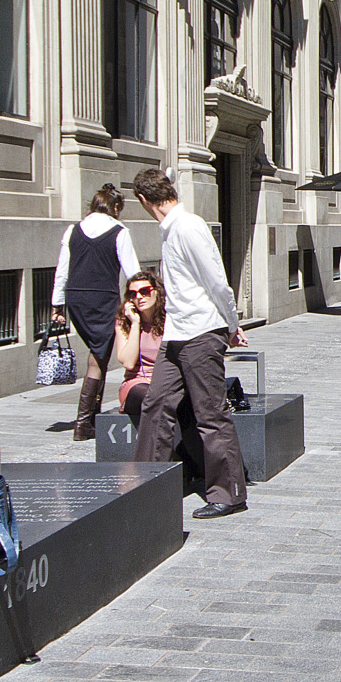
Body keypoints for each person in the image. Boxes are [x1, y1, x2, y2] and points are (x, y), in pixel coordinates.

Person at [128, 167, 249, 517]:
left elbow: (216, 280)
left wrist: (231, 323)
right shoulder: (170, 231)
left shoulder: (188, 226)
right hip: (176, 334)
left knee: (210, 413)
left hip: (200, 333)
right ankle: (147, 483)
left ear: (143, 200)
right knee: (156, 402)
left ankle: (229, 494)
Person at [51, 184, 140, 439]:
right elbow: (132, 271)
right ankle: (82, 424)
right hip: (103, 299)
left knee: (97, 353)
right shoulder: (119, 231)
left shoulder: (73, 230)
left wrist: (57, 305)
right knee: (98, 358)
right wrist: (138, 299)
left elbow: (62, 270)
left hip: (76, 298)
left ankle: (92, 418)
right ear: (114, 207)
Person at [110, 270, 166, 420]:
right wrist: (135, 323)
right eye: (133, 294)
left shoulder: (170, 320)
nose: (139, 297)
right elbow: (128, 362)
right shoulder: (124, 321)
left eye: (145, 291)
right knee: (149, 394)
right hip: (136, 385)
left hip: (165, 383)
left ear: (157, 292)